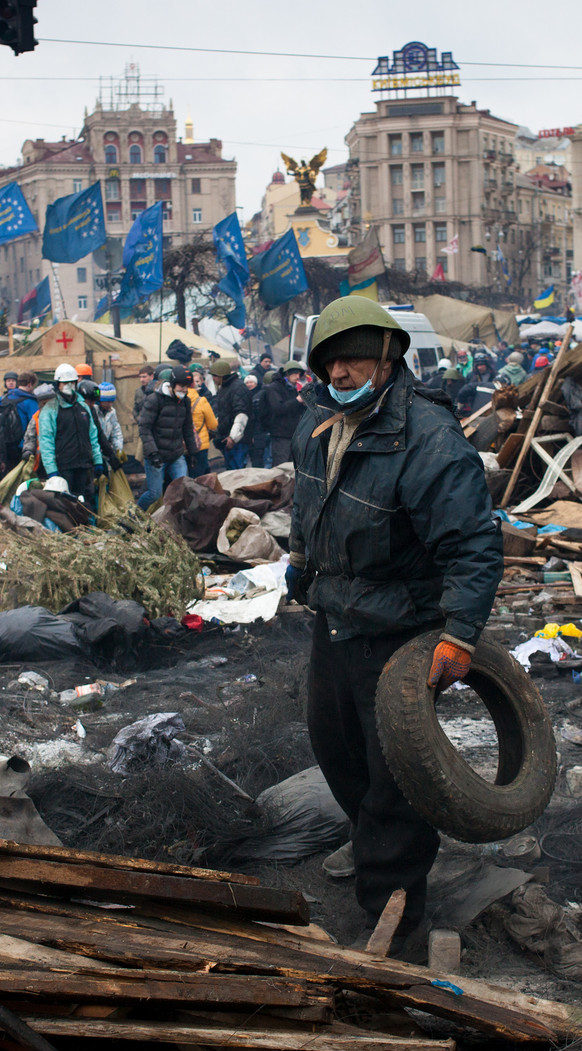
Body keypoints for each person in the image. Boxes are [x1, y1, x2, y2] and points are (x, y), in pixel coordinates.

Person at [285, 296, 502, 960]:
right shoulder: (319, 424)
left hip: (403, 633)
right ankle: (376, 851)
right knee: (336, 749)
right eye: (330, 361)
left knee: (396, 777)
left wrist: (459, 634)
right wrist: (301, 567)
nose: (340, 372)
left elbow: (472, 546)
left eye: (352, 358)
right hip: (338, 620)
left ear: (388, 356)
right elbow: (308, 508)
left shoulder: (429, 439)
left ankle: (397, 916)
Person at [29, 363, 104, 504]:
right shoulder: (50, 410)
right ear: (58, 385)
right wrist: (51, 469)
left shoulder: (83, 407)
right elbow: (46, 441)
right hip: (63, 466)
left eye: (71, 382)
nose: (68, 386)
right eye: (65, 383)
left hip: (84, 464)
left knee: (85, 502)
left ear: (76, 383)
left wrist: (97, 460)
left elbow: (92, 436)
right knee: (66, 504)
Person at [136, 366, 196, 509]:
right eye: (182, 386)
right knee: (154, 493)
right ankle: (134, 515)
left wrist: (193, 452)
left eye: (187, 387)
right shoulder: (155, 400)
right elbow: (144, 428)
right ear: (173, 384)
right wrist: (153, 452)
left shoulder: (185, 402)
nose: (184, 390)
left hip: (176, 454)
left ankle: (177, 520)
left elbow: (187, 427)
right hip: (156, 455)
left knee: (183, 489)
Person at [263, 361, 309, 466]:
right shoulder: (274, 387)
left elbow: (295, 409)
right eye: (295, 374)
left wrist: (303, 405)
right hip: (280, 435)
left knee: (292, 468)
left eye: (299, 374)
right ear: (287, 373)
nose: (298, 377)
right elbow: (278, 408)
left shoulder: (293, 388)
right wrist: (297, 400)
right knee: (281, 468)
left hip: (293, 435)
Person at [211, 359, 251, 471]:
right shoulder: (224, 388)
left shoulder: (238, 388)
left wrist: (233, 437)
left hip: (237, 441)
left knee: (236, 473)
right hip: (227, 438)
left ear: (222, 375)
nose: (213, 379)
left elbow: (242, 414)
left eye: (215, 376)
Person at [186, 372, 218, 478]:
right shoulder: (201, 401)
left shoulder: (176, 400)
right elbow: (213, 424)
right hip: (200, 443)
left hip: (182, 445)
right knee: (201, 475)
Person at [94, 382, 125, 461]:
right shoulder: (93, 412)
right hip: (94, 453)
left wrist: (119, 450)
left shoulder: (112, 412)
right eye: (107, 402)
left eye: (112, 401)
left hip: (106, 452)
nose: (110, 404)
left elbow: (116, 431)